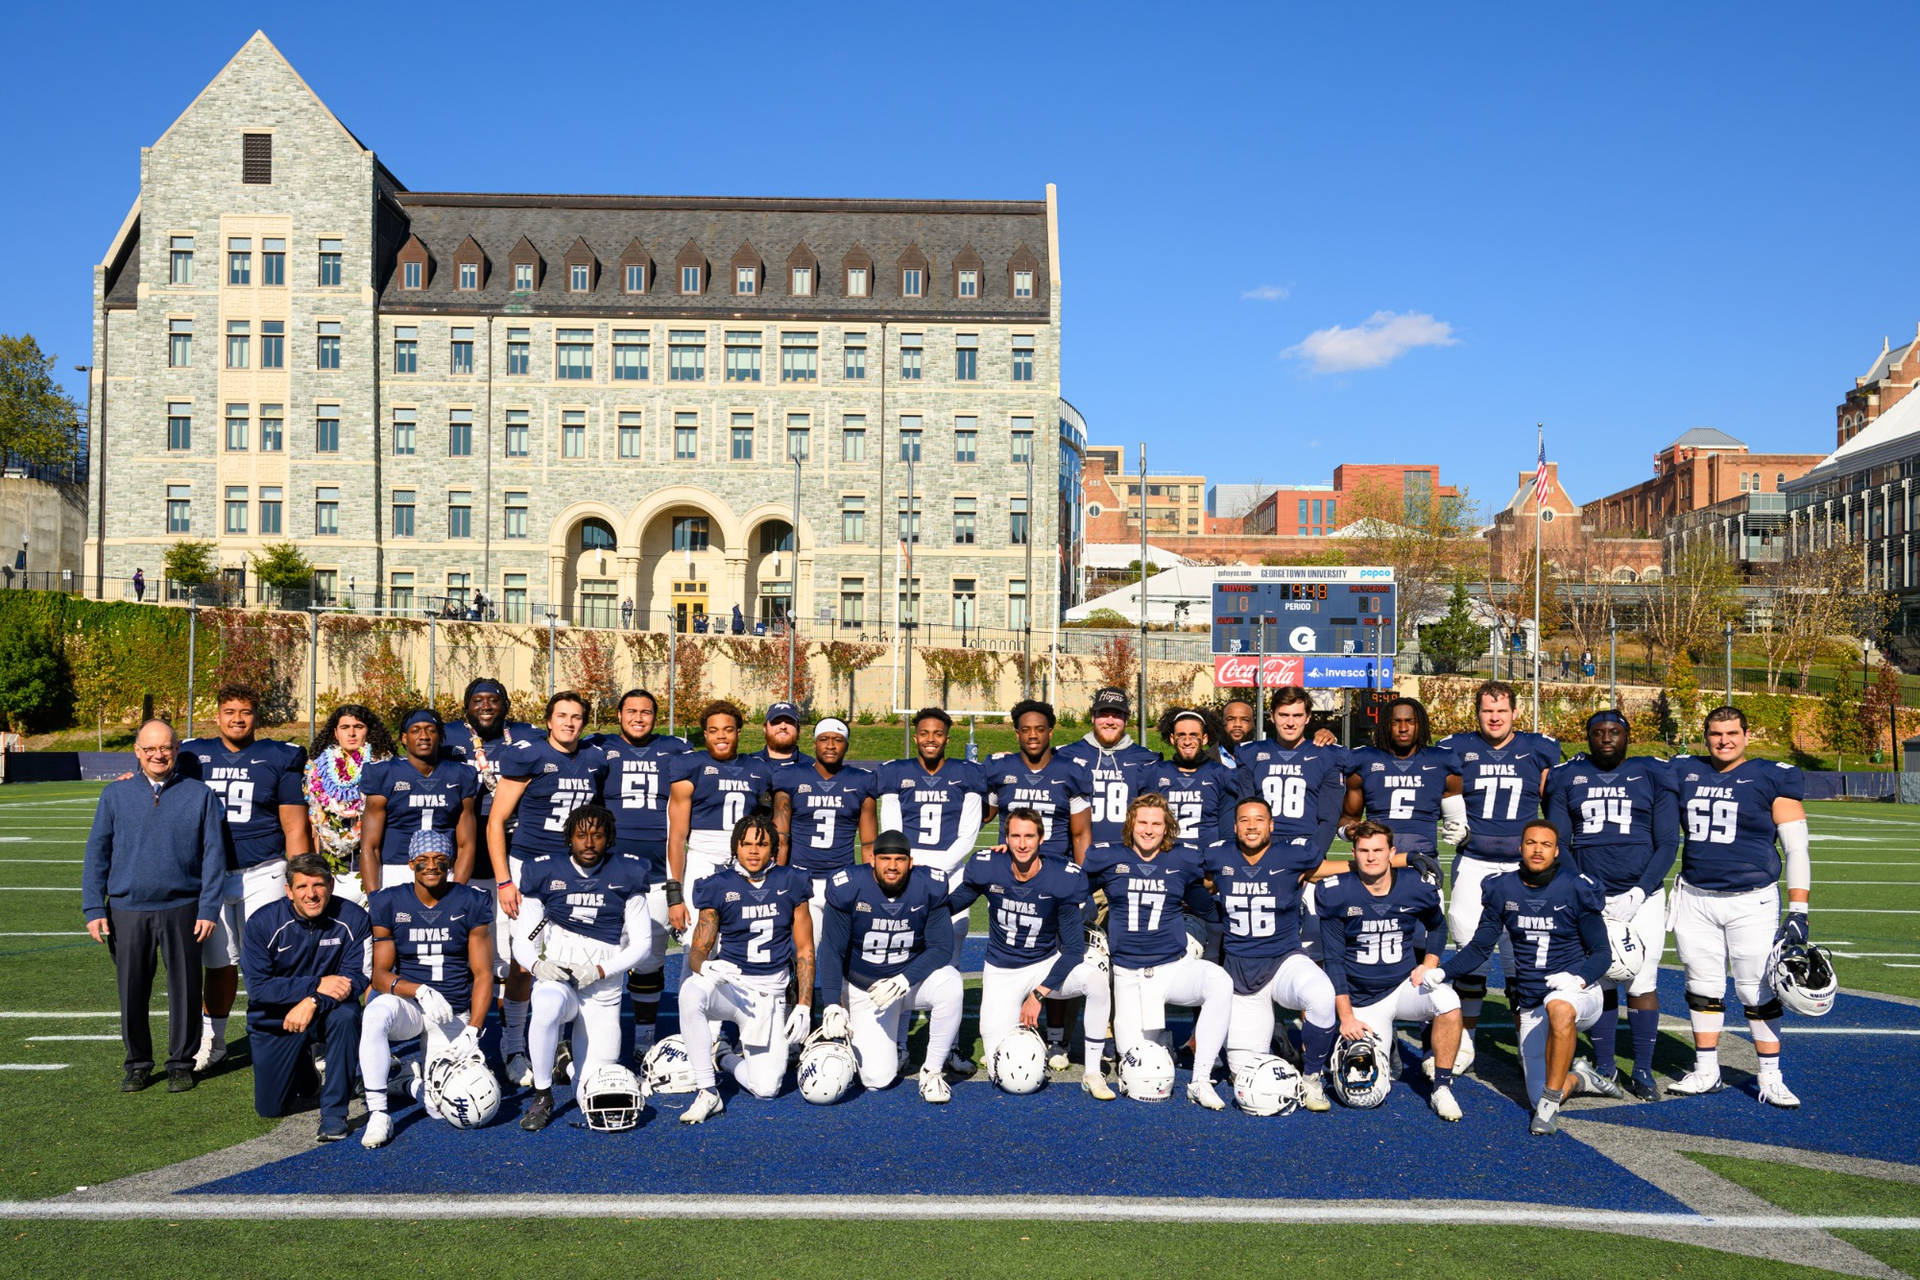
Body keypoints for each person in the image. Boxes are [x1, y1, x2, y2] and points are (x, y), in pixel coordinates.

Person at [1667, 706, 1811, 1108]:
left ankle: (1770, 1076)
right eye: (1715, 734)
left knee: (1756, 988)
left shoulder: (1771, 775)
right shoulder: (1684, 771)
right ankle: (1706, 1070)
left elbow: (1797, 847)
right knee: (1702, 984)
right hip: (1696, 896)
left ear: (1747, 735)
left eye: (1732, 733)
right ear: (1705, 736)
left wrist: (1798, 909)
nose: (1724, 740)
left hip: (1752, 900)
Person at [1441, 820, 1616, 1135]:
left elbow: (1603, 953)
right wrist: (1442, 971)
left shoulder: (1576, 887)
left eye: (1546, 844)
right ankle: (1578, 1078)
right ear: (1520, 848)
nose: (1538, 850)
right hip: (1531, 1000)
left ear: (1556, 851)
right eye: (1532, 843)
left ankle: (1549, 1106)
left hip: (1580, 994)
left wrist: (1576, 980)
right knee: (1536, 1096)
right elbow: (1480, 948)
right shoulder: (1502, 887)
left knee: (1559, 1006)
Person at [82, 718, 227, 1093]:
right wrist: (94, 908)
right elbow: (97, 854)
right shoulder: (114, 795)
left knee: (185, 990)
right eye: (149, 749)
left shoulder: (200, 795)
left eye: (165, 748)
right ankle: (138, 1063)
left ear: (176, 750)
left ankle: (181, 1063)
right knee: (132, 991)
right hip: (127, 910)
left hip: (183, 908)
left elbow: (214, 856)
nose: (158, 755)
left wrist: (208, 908)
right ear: (137, 752)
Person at [177, 684, 311, 1074]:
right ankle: (214, 1041)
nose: (237, 718)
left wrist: (299, 874)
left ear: (257, 716)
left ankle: (280, 1038)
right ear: (217, 715)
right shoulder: (191, 755)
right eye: (230, 711)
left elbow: (293, 822)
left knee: (270, 960)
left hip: (263, 870)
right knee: (218, 963)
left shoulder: (278, 756)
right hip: (211, 875)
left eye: (246, 711)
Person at [1545, 710, 1678, 1100]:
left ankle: (1642, 1069)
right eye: (1599, 732)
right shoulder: (1569, 776)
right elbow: (1560, 842)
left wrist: (1641, 890)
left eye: (1614, 732)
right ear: (1588, 737)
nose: (1606, 738)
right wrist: (1583, 885)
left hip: (1644, 896)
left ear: (1627, 736)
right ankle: (1604, 1068)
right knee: (1602, 977)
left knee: (1642, 979)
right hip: (1591, 896)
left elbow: (1668, 842)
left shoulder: (1652, 772)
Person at [485, 691, 610, 1087]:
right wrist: (505, 879)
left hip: (576, 870)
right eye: (561, 716)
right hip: (530, 867)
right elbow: (496, 822)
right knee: (524, 960)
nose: (569, 723)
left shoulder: (593, 759)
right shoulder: (529, 756)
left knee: (572, 954)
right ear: (549, 719)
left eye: (576, 717)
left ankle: (562, 1044)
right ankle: (514, 1046)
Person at [1436, 681, 1560, 1068]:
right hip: (1474, 862)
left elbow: (1554, 800)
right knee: (1470, 955)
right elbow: (1433, 785)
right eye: (1488, 711)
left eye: (1502, 711)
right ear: (1477, 713)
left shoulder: (1540, 749)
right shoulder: (1455, 747)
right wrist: (1454, 820)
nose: (1494, 717)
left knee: (1521, 959)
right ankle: (1465, 1043)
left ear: (1514, 713)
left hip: (1521, 869)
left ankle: (1529, 1044)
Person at [949, 810, 1112, 1098]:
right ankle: (1024, 1037)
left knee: (1097, 979)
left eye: (1028, 836)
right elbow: (953, 903)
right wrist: (917, 904)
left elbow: (1074, 950)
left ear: (1041, 839)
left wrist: (1038, 994)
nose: (1022, 844)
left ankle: (1093, 1071)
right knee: (1008, 1076)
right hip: (1001, 971)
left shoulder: (1061, 876)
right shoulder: (989, 866)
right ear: (1006, 839)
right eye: (1015, 836)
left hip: (1043, 964)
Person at [1084, 794, 1231, 1108]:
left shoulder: (1182, 860)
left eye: (1156, 823)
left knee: (1219, 981)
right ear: (1130, 825)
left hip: (1172, 967)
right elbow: (1074, 888)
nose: (1148, 830)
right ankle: (1162, 1039)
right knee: (1137, 1061)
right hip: (1128, 973)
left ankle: (1201, 1080)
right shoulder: (1109, 857)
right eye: (1142, 822)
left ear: (1168, 829)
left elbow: (1205, 906)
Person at [516, 804, 653, 1132]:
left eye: (597, 835)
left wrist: (602, 970)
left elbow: (642, 944)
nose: (589, 842)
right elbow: (522, 940)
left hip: (602, 991)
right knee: (546, 1003)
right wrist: (538, 965)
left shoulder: (627, 873)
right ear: (569, 838)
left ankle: (568, 1064)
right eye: (581, 835)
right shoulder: (545, 872)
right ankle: (543, 1094)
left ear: (609, 839)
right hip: (560, 982)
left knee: (591, 1094)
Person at [1316, 820, 1465, 1121]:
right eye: (1363, 850)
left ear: (1391, 852)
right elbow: (1333, 960)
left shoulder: (1415, 886)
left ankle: (1442, 1087)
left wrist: (1430, 963)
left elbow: (1437, 927)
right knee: (1360, 1092)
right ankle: (1387, 1043)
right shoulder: (1336, 892)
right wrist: (1346, 1017)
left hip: (1402, 987)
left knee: (1449, 1002)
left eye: (1378, 850)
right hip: (1362, 999)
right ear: (1353, 853)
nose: (1371, 857)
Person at [359, 828, 495, 1148]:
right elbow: (379, 976)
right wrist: (418, 990)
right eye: (423, 860)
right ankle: (379, 1112)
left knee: (440, 1108)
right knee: (376, 1013)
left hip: (452, 1009)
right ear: (410, 864)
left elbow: (484, 974)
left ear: (450, 864)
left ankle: (409, 1082)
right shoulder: (390, 901)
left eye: (439, 859)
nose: (431, 866)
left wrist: (473, 1031)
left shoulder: (471, 901)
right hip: (412, 1004)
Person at [1208, 796, 1344, 1113]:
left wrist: (1402, 860)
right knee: (1244, 1079)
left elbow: (1339, 867)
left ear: (1271, 825)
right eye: (1244, 820)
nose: (1251, 825)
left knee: (1322, 993)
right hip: (1242, 979)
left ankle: (1311, 1078)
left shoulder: (1292, 855)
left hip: (1284, 962)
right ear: (1234, 826)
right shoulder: (1219, 856)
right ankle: (1277, 1042)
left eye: (1258, 819)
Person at [677, 813, 815, 1123]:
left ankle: (724, 1056)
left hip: (769, 995)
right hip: (731, 986)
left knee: (766, 1089)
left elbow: (805, 949)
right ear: (735, 847)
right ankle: (707, 1091)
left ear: (774, 848)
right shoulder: (717, 885)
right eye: (747, 844)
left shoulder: (792, 882)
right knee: (690, 992)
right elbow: (698, 950)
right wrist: (705, 967)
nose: (753, 851)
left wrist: (804, 1005)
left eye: (762, 844)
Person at [819, 830, 964, 1103]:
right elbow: (831, 949)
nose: (893, 866)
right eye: (885, 858)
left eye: (900, 859)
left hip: (910, 983)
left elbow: (942, 947)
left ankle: (932, 1072)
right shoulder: (848, 886)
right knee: (877, 1079)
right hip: (867, 989)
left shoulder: (928, 886)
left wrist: (904, 979)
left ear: (911, 862)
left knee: (951, 983)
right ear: (872, 860)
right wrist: (831, 1003)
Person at [241, 853, 372, 1142]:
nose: (311, 895)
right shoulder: (262, 923)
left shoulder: (354, 918)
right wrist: (317, 984)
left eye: (318, 885)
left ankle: (334, 1114)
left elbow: (357, 978)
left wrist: (313, 1001)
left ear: (331, 885)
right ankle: (305, 1071)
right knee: (270, 1108)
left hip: (328, 1010)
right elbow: (260, 989)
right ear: (288, 891)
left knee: (347, 1016)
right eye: (301, 887)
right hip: (276, 1017)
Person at [587, 688, 689, 1057]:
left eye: (646, 712)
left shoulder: (675, 750)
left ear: (655, 716)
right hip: (610, 873)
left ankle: (644, 1040)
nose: (638, 718)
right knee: (604, 957)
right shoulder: (601, 748)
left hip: (658, 874)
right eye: (631, 711)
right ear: (619, 714)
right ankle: (602, 1038)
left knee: (649, 963)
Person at [876, 708, 988, 964]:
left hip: (952, 866)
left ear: (947, 739)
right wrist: (912, 867)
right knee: (904, 937)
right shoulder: (897, 771)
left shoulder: (967, 773)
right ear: (915, 737)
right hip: (909, 866)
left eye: (938, 734)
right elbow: (892, 831)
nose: (931, 739)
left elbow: (968, 836)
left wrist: (938, 869)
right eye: (924, 733)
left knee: (954, 933)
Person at [665, 701, 776, 954]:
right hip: (702, 861)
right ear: (705, 734)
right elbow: (677, 836)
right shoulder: (691, 766)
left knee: (738, 942)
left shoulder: (758, 769)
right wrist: (675, 896)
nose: (721, 735)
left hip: (743, 865)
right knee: (697, 943)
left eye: (727, 729)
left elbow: (764, 829)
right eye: (713, 730)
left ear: (738, 732)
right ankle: (692, 994)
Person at [772, 719, 878, 953]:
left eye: (838, 740)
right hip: (801, 877)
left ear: (847, 745)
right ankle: (797, 989)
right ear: (814, 743)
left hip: (841, 879)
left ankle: (839, 992)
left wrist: (872, 884)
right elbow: (781, 837)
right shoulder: (791, 776)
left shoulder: (861, 781)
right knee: (803, 950)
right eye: (824, 739)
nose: (830, 745)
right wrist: (777, 879)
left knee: (843, 951)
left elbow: (869, 843)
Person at [358, 709, 482, 895]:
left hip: (442, 868)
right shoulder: (385, 773)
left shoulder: (460, 774)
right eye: (415, 730)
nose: (424, 736)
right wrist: (374, 897)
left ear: (440, 736)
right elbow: (369, 845)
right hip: (396, 867)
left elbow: (467, 844)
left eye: (430, 730)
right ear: (404, 738)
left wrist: (458, 892)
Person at [304, 703, 396, 906]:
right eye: (345, 727)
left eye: (358, 727)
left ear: (368, 731)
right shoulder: (316, 767)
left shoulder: (385, 766)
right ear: (335, 732)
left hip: (373, 861)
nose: (352, 733)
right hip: (330, 862)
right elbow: (313, 820)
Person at [982, 699, 1093, 863]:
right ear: (1017, 733)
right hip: (1009, 865)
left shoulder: (1071, 771)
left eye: (1039, 729)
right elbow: (983, 817)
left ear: (1050, 732)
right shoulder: (1001, 768)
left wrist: (1081, 879)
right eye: (1026, 730)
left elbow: (1080, 834)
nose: (1033, 735)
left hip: (1054, 864)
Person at [1057, 686, 1161, 848]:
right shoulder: (1065, 755)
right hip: (1077, 854)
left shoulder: (1147, 759)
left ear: (1126, 719)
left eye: (1117, 715)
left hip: (1127, 858)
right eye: (1104, 715)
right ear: (1092, 717)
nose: (1110, 721)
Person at [441, 678, 536, 831]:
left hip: (512, 827)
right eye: (477, 701)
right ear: (467, 707)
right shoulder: (448, 735)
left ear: (505, 706)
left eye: (493, 700)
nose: (485, 707)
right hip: (462, 826)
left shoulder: (526, 734)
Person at [748, 701, 813, 771]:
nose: (783, 726)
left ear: (798, 729)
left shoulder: (812, 767)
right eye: (776, 722)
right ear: (765, 728)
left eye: (789, 722)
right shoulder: (748, 764)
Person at [1219, 697, 1258, 764]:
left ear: (1253, 724)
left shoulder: (1267, 758)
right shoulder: (1205, 759)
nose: (1237, 724)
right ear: (1222, 722)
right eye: (1231, 719)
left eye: (1244, 720)